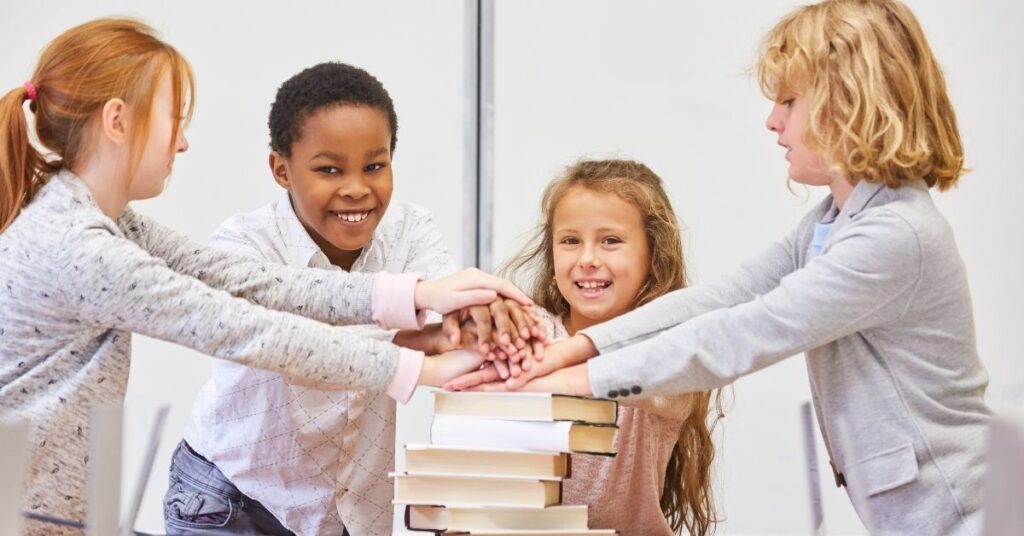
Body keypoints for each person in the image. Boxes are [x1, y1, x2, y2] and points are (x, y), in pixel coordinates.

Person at [469, 1, 992, 533]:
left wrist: (570, 381)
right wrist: (578, 347)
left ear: (849, 103)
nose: (773, 120)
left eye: (789, 100)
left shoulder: (892, 237)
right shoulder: (833, 221)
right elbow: (726, 297)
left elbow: (743, 334)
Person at [0, 18, 523, 534]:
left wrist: (419, 292)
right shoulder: (79, 247)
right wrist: (421, 369)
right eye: (173, 120)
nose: (181, 143)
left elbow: (249, 283)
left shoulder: (103, 221)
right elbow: (249, 328)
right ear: (118, 122)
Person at [448, 159, 721, 535]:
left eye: (611, 241)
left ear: (653, 257)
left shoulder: (670, 350)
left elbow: (658, 384)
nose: (588, 260)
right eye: (570, 241)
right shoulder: (533, 330)